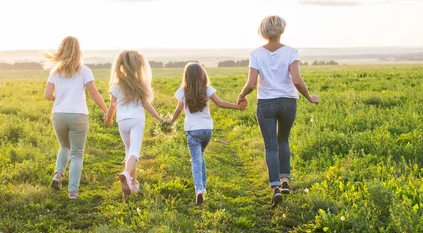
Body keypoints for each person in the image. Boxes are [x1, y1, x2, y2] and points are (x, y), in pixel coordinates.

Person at [237, 15, 319, 207]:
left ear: (263, 31)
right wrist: (309, 97)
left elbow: (251, 84)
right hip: (288, 102)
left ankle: (275, 188)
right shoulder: (291, 52)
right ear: (282, 30)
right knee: (283, 140)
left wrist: (241, 96)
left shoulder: (256, 54)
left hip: (266, 103)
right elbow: (297, 80)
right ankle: (285, 181)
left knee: (271, 146)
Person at [167, 62, 247, 205]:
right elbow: (220, 103)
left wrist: (171, 121)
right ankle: (203, 188)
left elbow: (179, 109)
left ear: (186, 76)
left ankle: (199, 190)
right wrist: (237, 107)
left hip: (192, 131)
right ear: (202, 75)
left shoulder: (182, 91)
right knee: (200, 157)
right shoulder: (207, 89)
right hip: (207, 130)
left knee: (196, 160)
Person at [43, 36, 108, 199]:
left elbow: (47, 95)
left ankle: (58, 175)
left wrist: (59, 97)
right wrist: (106, 109)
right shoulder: (84, 70)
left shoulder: (55, 72)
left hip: (59, 115)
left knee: (65, 146)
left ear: (61, 50)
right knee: (77, 154)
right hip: (78, 116)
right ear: (78, 51)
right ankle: (72, 191)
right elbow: (93, 92)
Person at [104, 50, 163, 195]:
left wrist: (109, 118)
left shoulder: (116, 85)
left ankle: (133, 184)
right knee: (134, 152)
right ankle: (125, 173)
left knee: (129, 150)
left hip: (122, 121)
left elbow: (113, 106)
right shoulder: (139, 84)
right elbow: (146, 104)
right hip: (136, 120)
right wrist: (161, 119)